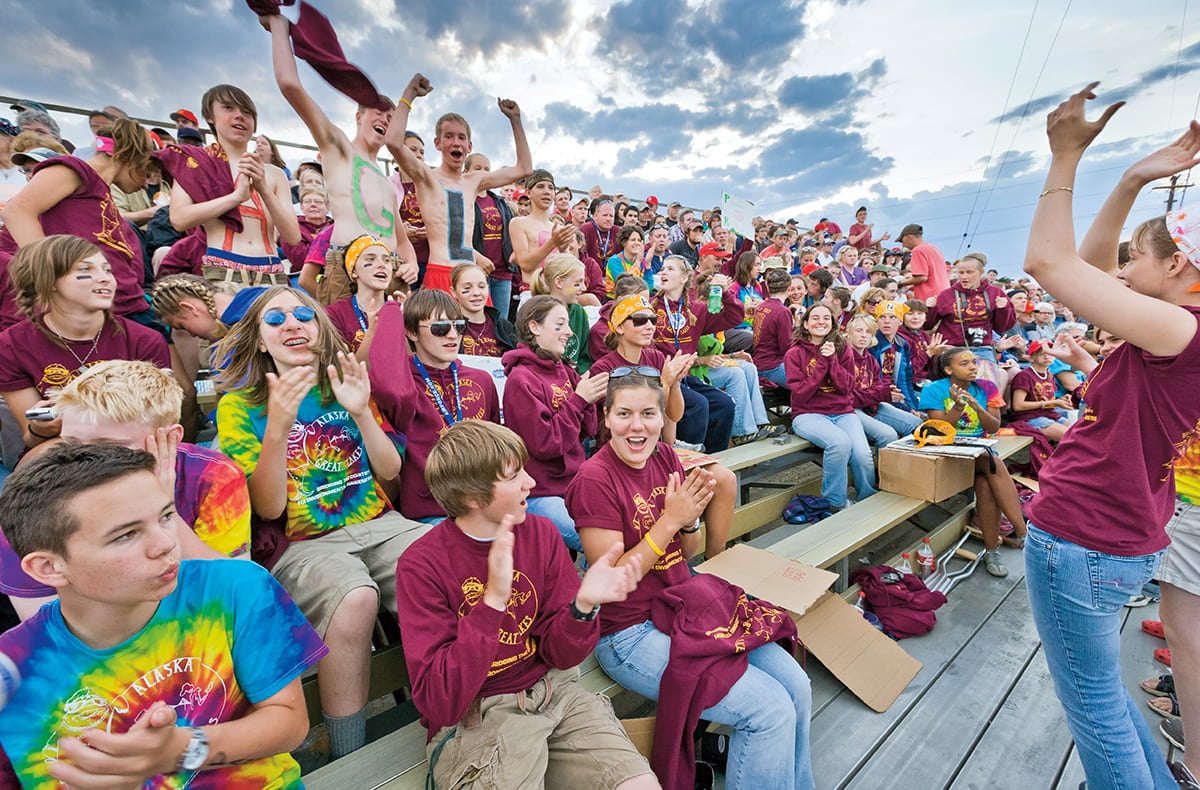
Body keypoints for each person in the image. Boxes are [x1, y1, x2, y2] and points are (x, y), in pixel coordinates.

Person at [1021, 82, 1200, 789]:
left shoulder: (1179, 329)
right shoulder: (1171, 331)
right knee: (1104, 695)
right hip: (1114, 531)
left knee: (1092, 707)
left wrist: (1064, 157)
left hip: (1085, 534)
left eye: (1137, 259)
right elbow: (1089, 269)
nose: (1122, 271)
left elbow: (1051, 265)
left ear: (1177, 267)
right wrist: (1129, 178)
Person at [0, 442, 326, 788]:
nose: (166, 544)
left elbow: (289, 723)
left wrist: (182, 749)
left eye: (166, 516)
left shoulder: (235, 589)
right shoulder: (12, 670)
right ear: (49, 567)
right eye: (126, 535)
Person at [566, 372, 814, 790]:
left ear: (662, 418)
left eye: (648, 413)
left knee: (797, 687)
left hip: (682, 605)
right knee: (768, 710)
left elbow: (690, 549)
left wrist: (689, 518)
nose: (637, 425)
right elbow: (612, 581)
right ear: (606, 419)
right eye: (624, 414)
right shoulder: (595, 480)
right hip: (628, 633)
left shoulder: (664, 457)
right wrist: (670, 520)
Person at [215, 285, 429, 758]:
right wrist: (277, 425)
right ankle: (348, 757)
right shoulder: (239, 405)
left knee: (448, 562)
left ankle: (462, 702)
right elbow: (267, 508)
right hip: (304, 542)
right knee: (354, 599)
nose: (292, 324)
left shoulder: (346, 383)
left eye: (302, 315)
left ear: (319, 328)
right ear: (258, 338)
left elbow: (391, 471)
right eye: (275, 319)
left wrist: (359, 410)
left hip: (380, 524)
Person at [395, 420, 656, 789]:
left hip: (554, 691)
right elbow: (441, 703)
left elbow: (562, 656)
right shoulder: (421, 565)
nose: (530, 482)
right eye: (513, 475)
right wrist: (493, 603)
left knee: (639, 784)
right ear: (472, 496)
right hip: (479, 715)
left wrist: (583, 606)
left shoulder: (541, 534)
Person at [0, 360, 251, 620]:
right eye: (71, 444)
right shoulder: (32, 498)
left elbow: (236, 589)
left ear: (171, 437)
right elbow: (45, 626)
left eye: (109, 447)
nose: (85, 461)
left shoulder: (211, 475)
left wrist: (163, 508)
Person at [267, 14, 418, 300]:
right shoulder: (338, 148)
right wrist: (278, 25)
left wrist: (410, 264)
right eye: (378, 112)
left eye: (391, 116)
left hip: (389, 270)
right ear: (359, 116)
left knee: (391, 344)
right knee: (343, 344)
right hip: (346, 268)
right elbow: (290, 85)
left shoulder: (386, 182)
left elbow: (402, 239)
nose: (385, 120)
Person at [0, 235, 170, 449]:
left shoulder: (145, 340)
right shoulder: (11, 345)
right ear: (49, 280)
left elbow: (158, 428)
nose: (105, 278)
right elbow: (31, 438)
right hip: (59, 450)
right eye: (85, 270)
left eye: (107, 269)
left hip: (128, 447)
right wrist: (41, 428)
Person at [0, 118, 155, 331]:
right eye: (147, 171)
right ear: (131, 157)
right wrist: (51, 278)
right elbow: (17, 211)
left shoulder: (100, 193)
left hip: (124, 304)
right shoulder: (76, 169)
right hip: (97, 309)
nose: (146, 183)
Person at [386, 73, 531, 293]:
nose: (456, 142)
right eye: (449, 136)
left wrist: (516, 120)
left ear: (469, 145)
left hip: (469, 275)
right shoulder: (427, 177)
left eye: (461, 137)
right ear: (438, 143)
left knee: (479, 328)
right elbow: (393, 142)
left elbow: (524, 169)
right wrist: (409, 95)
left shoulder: (474, 181)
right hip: (439, 272)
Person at [366, 289, 501, 521]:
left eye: (458, 326)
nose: (452, 336)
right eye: (439, 328)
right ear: (411, 332)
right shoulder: (404, 384)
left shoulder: (482, 379)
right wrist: (391, 315)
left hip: (484, 504)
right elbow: (387, 384)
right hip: (431, 509)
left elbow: (495, 445)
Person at [167, 85, 301, 288]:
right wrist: (236, 197)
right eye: (228, 108)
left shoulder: (274, 174)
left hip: (272, 273)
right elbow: (179, 219)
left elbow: (292, 236)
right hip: (223, 273)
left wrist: (263, 188)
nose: (239, 116)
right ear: (210, 116)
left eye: (246, 112)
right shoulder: (197, 164)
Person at [500, 296, 605, 552]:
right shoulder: (521, 379)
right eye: (559, 325)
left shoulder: (564, 370)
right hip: (541, 492)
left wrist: (590, 399)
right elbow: (546, 444)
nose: (569, 332)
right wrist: (579, 400)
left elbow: (588, 431)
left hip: (573, 481)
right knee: (597, 541)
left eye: (567, 325)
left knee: (618, 522)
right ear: (535, 327)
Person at [919, 347, 1028, 577]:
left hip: (978, 454)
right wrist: (958, 407)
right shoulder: (934, 390)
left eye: (974, 362)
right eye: (964, 363)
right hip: (946, 454)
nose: (972, 367)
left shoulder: (987, 388)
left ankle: (992, 551)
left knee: (986, 484)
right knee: (993, 462)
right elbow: (941, 431)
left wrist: (977, 407)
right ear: (948, 369)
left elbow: (993, 428)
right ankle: (1024, 533)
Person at [785, 303, 877, 509]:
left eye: (826, 318)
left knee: (862, 454)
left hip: (843, 412)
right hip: (808, 414)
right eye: (815, 318)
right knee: (840, 443)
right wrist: (822, 364)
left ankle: (867, 499)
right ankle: (835, 503)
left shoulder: (843, 349)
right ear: (806, 324)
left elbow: (846, 387)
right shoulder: (794, 353)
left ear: (832, 324)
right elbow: (801, 393)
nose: (821, 322)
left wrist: (832, 360)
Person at [651, 256, 741, 451]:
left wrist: (725, 293)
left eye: (670, 269)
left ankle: (713, 457)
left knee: (724, 404)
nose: (663, 272)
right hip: (660, 377)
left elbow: (734, 317)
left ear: (684, 278)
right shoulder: (650, 307)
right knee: (698, 404)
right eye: (663, 268)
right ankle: (686, 461)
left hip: (685, 377)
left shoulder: (696, 309)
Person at [923, 252, 1014, 391]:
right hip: (952, 347)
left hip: (982, 347)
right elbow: (927, 325)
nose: (964, 276)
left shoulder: (995, 293)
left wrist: (1004, 309)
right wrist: (930, 308)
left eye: (969, 272)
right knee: (973, 376)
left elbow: (1002, 327)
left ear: (981, 273)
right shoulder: (946, 294)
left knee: (995, 378)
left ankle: (987, 411)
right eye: (961, 273)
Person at [845, 314, 920, 444]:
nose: (863, 335)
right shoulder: (842, 358)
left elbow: (877, 386)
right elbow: (848, 396)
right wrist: (883, 394)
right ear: (849, 333)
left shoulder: (869, 359)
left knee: (916, 424)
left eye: (868, 332)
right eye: (858, 330)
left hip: (870, 405)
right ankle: (882, 464)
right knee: (888, 435)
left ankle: (905, 462)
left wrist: (889, 391)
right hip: (849, 408)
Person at [463, 153, 520, 314]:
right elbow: (456, 236)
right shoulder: (463, 200)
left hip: (502, 274)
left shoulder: (500, 202)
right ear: (466, 171)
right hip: (476, 272)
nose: (483, 172)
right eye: (478, 168)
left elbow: (509, 233)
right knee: (477, 320)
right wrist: (477, 258)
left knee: (500, 323)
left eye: (487, 169)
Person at [151, 273, 264, 342]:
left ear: (188, 308)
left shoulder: (230, 345)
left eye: (182, 326)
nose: (192, 335)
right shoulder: (262, 296)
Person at [529, 253, 592, 370]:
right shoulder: (536, 312)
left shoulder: (579, 312)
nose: (584, 288)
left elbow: (585, 356)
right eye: (577, 283)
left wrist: (582, 374)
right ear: (559, 282)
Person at [1007, 340, 1072, 442]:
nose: (1047, 357)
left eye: (1050, 354)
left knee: (1080, 429)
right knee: (1070, 437)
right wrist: (1053, 402)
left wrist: (1062, 400)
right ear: (1032, 357)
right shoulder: (1024, 375)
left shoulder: (1049, 374)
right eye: (1042, 354)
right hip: (1029, 417)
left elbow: (1048, 399)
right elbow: (1018, 406)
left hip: (1049, 414)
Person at [451, 262, 516, 357]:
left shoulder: (504, 326)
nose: (476, 293)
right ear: (454, 292)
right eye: (467, 288)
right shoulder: (450, 327)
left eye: (481, 287)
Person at [870, 300, 923, 415]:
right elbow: (875, 381)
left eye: (893, 317)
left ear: (900, 321)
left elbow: (905, 380)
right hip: (878, 397)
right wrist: (906, 409)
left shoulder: (902, 345)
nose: (887, 321)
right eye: (882, 317)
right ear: (876, 320)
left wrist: (912, 407)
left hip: (897, 393)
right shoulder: (871, 344)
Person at [752, 267, 795, 387]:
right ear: (789, 288)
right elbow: (786, 347)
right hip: (772, 366)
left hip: (759, 361)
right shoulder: (783, 312)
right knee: (811, 384)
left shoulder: (761, 306)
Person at [896, 223, 950, 301]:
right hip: (944, 294)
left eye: (902, 240)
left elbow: (921, 277)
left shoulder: (917, 250)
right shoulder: (934, 248)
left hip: (930, 299)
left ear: (909, 237)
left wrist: (900, 283)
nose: (903, 244)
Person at [606, 225, 650, 296]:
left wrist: (648, 265)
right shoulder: (614, 261)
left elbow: (649, 287)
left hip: (637, 297)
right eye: (633, 240)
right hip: (616, 299)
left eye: (639, 240)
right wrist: (638, 262)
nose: (637, 243)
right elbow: (626, 286)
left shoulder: (641, 260)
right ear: (624, 242)